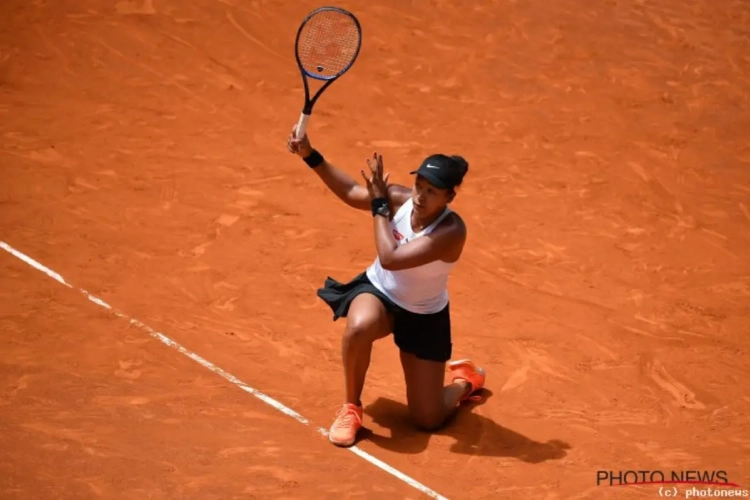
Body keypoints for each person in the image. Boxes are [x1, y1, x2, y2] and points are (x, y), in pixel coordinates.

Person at [287, 126, 486, 448]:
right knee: (359, 326)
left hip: (424, 315)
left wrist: (379, 207)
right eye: (419, 185)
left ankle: (465, 381)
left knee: (428, 420)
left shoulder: (451, 231)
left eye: (432, 191)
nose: (421, 195)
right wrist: (310, 155)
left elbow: (391, 258)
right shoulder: (400, 199)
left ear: (450, 197)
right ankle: (351, 408)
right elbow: (352, 191)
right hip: (379, 293)